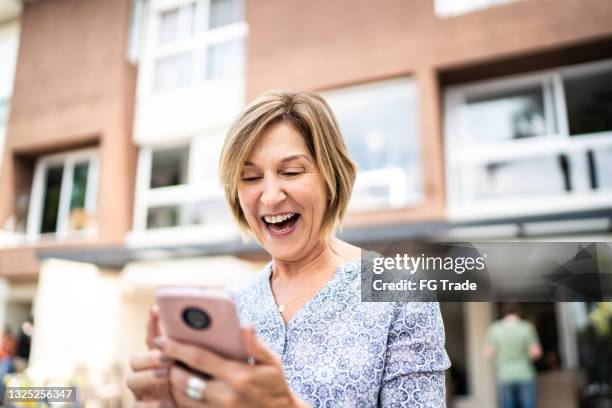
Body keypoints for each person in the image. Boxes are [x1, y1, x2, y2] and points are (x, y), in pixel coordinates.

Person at [127, 90, 451, 407]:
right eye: (251, 178)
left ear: (330, 177)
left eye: (291, 172)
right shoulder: (229, 306)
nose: (270, 197)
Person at [484, 303, 542, 408]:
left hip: (505, 375)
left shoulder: (495, 328)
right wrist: (522, 354)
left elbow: (488, 353)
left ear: (503, 313)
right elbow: (536, 352)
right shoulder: (526, 327)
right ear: (518, 312)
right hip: (525, 373)